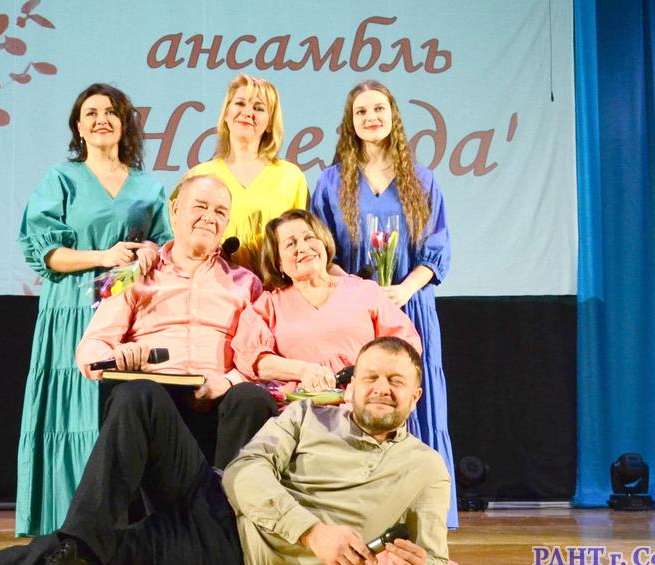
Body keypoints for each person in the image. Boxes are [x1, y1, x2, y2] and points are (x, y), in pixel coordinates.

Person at [0, 337, 450, 565]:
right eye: (371, 375)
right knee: (141, 396)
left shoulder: (424, 470)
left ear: (416, 395)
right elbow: (244, 474)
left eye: (396, 380)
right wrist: (312, 532)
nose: (382, 387)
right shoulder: (309, 415)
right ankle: (77, 553)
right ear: (350, 385)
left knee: (55, 559)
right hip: (217, 502)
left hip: (235, 562)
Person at [15, 83, 172, 536]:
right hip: (72, 311)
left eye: (111, 112)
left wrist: (150, 252)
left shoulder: (149, 187)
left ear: (125, 125)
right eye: (91, 113)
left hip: (128, 315)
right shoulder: (61, 179)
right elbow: (47, 255)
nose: (102, 119)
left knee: (116, 416)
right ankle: (66, 524)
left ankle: (119, 527)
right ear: (79, 128)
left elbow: (166, 247)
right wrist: (104, 256)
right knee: (71, 413)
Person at [309, 80, 457, 528]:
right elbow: (322, 252)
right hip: (356, 311)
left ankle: (424, 510)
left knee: (414, 400)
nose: (371, 117)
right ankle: (366, 510)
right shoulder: (331, 182)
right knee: (364, 401)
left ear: (393, 116)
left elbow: (436, 251)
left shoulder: (422, 180)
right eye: (361, 112)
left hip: (409, 308)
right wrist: (361, 292)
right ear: (350, 122)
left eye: (378, 109)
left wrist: (403, 291)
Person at [75, 174, 274, 469]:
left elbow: (258, 358)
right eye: (200, 207)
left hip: (219, 404)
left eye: (220, 212)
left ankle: (228, 494)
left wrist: (228, 382)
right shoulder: (135, 273)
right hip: (155, 401)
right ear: (175, 210)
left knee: (252, 398)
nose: (210, 218)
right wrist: (117, 356)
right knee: (134, 394)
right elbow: (91, 349)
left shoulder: (247, 283)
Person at [232, 208, 422, 393]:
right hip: (299, 407)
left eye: (309, 237)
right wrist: (304, 371)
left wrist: (367, 376)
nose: (303, 248)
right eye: (290, 244)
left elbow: (405, 347)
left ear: (324, 243)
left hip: (364, 404)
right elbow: (251, 359)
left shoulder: (365, 291)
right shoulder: (268, 305)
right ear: (278, 262)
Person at [175, 74, 308, 275]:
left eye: (258, 108)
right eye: (240, 103)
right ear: (226, 114)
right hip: (210, 287)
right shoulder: (199, 176)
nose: (247, 113)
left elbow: (302, 241)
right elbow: (175, 241)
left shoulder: (291, 177)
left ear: (270, 122)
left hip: (272, 288)